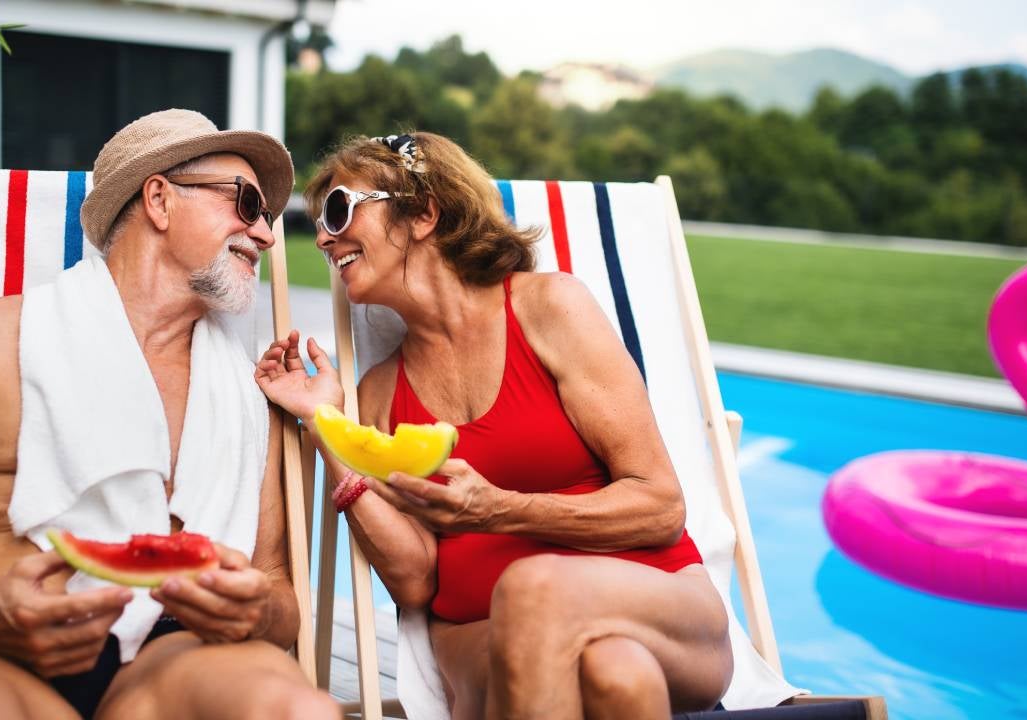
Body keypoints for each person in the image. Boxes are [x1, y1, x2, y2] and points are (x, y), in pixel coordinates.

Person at [0, 109, 338, 720]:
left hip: (174, 660)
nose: (268, 235)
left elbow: (280, 591)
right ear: (160, 200)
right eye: (247, 203)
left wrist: (256, 611)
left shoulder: (254, 389)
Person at [256, 132, 732, 720]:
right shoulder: (378, 393)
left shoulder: (550, 309)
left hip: (654, 598)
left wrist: (498, 510)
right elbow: (414, 583)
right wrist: (325, 424)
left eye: (338, 210)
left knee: (535, 589)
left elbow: (660, 508)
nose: (324, 237)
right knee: (619, 676)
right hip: (476, 632)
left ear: (424, 213)